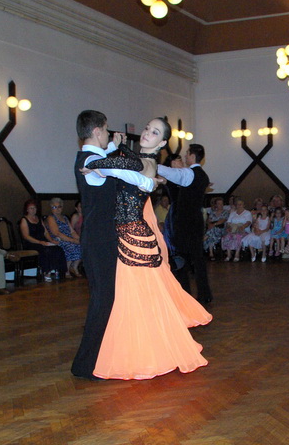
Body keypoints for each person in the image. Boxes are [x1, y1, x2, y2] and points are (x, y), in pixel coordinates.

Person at [85, 117, 210, 380]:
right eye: (146, 129)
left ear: (162, 143)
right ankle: (146, 351)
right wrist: (116, 149)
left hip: (134, 237)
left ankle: (148, 354)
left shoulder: (147, 163)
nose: (146, 134)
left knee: (138, 297)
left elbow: (121, 165)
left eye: (154, 132)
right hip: (129, 235)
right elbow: (125, 161)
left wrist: (95, 163)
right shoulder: (142, 160)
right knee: (138, 298)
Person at [69, 110, 157, 380]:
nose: (108, 134)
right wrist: (148, 181)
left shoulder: (92, 158)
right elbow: (124, 169)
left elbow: (112, 164)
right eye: (106, 130)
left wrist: (111, 148)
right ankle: (86, 365)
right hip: (99, 238)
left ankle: (97, 361)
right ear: (97, 131)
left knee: (106, 298)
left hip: (101, 237)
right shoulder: (91, 160)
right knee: (103, 299)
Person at [158, 143, 214, 304]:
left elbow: (168, 172)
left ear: (192, 156)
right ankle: (204, 294)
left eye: (187, 153)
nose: (184, 156)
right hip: (196, 221)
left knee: (181, 257)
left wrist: (150, 162)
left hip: (184, 223)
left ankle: (184, 293)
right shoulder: (202, 175)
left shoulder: (188, 173)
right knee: (197, 259)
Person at [19, 199, 67, 281]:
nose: (33, 210)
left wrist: (51, 240)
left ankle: (59, 271)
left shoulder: (38, 219)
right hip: (32, 243)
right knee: (45, 250)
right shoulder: (24, 220)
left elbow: (45, 232)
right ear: (27, 209)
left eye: (34, 208)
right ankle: (46, 272)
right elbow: (26, 236)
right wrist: (39, 242)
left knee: (58, 249)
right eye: (31, 208)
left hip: (43, 241)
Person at [46, 197, 82, 278]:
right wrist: (72, 240)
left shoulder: (65, 218)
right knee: (70, 246)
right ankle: (66, 270)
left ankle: (74, 267)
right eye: (54, 207)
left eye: (59, 207)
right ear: (51, 208)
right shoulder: (51, 218)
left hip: (68, 238)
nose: (57, 209)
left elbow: (72, 231)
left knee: (81, 245)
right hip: (58, 239)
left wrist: (79, 239)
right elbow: (56, 233)